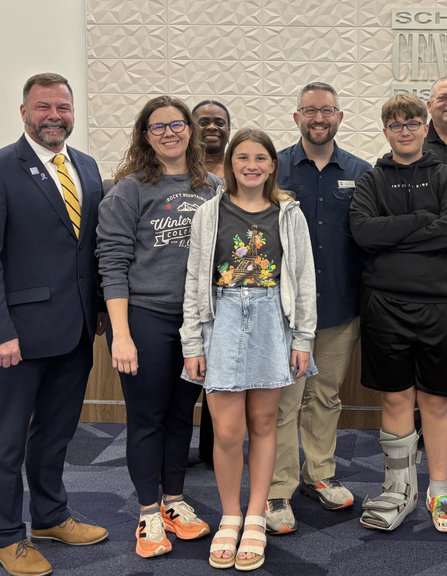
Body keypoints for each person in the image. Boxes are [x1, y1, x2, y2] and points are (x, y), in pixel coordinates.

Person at [0, 73, 107, 576]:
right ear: (24, 112)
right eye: (44, 106)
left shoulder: (85, 167)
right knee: (5, 441)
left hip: (75, 330)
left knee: (56, 435)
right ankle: (5, 536)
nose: (55, 116)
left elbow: (89, 250)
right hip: (16, 338)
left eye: (63, 107)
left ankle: (49, 515)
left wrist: (103, 310)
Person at [180, 128, 316, 571]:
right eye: (243, 157)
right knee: (226, 431)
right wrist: (192, 341)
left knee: (263, 422)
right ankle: (230, 514)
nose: (252, 165)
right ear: (230, 163)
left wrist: (303, 339)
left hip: (271, 321)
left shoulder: (288, 213)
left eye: (261, 157)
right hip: (220, 321)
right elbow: (194, 281)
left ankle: (255, 515)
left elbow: (304, 279)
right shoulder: (209, 212)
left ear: (273, 165)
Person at [96, 95, 218, 558]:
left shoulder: (213, 187)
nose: (169, 132)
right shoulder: (129, 189)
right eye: (157, 126)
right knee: (146, 418)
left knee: (179, 416)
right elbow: (112, 263)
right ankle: (148, 514)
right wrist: (121, 334)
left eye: (177, 124)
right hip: (145, 318)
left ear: (190, 129)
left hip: (197, 322)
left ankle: (174, 501)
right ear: (144, 136)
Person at [349, 94, 447, 532]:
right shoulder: (370, 180)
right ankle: (399, 488)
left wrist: (393, 235)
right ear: (385, 131)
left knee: (436, 401)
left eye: (412, 122)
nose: (404, 130)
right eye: (395, 124)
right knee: (396, 397)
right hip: (385, 305)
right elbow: (364, 232)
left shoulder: (446, 176)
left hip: (441, 305)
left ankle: (439, 490)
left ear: (425, 127)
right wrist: (423, 220)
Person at [265, 82, 371, 534]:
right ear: (297, 118)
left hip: (340, 308)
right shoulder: (275, 169)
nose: (318, 118)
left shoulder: (361, 172)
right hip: (284, 313)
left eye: (326, 110)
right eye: (309, 111)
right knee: (284, 404)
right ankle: (277, 489)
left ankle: (319, 474)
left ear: (339, 117)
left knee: (325, 396)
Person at [191, 99, 232, 463]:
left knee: (219, 380)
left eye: (219, 122)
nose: (212, 127)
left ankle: (210, 451)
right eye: (203, 121)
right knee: (187, 381)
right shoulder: (179, 171)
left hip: (228, 292)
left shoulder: (237, 173)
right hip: (183, 291)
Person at [193, 100, 231, 179]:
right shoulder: (179, 169)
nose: (212, 127)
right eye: (203, 123)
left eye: (220, 123)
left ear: (229, 130)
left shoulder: (240, 169)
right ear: (191, 130)